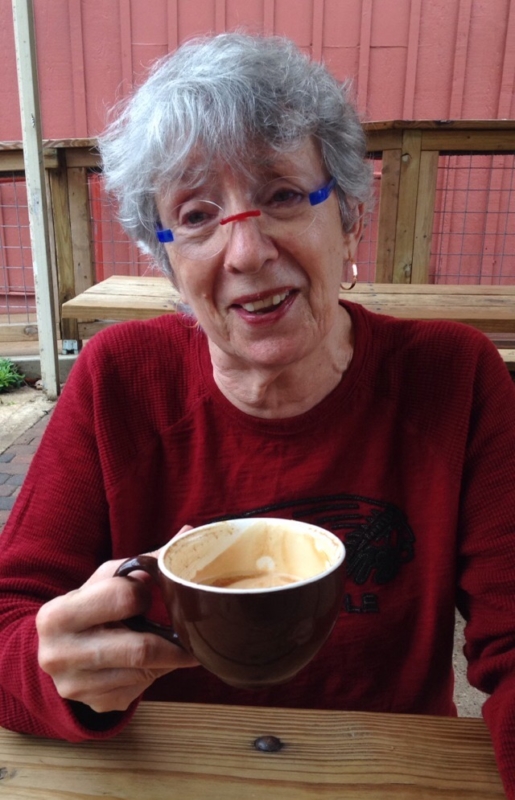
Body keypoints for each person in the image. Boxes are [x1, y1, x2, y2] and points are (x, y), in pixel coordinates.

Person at [1, 31, 515, 797]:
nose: (245, 253)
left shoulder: (451, 377)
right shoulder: (118, 381)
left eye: (280, 195)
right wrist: (65, 678)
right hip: (167, 777)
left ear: (347, 217)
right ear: (167, 257)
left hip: (379, 775)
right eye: (198, 214)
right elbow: (11, 634)